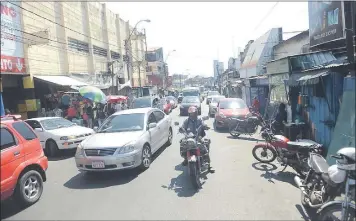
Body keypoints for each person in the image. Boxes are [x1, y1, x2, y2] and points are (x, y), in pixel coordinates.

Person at [179, 106, 213, 172]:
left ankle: (208, 164)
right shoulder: (187, 121)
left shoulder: (199, 120)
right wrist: (181, 129)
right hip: (189, 137)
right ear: (189, 114)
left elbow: (203, 124)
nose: (192, 115)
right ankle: (186, 158)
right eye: (191, 114)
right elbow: (182, 126)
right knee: (182, 144)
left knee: (204, 146)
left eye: (194, 113)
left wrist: (205, 126)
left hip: (198, 137)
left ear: (196, 113)